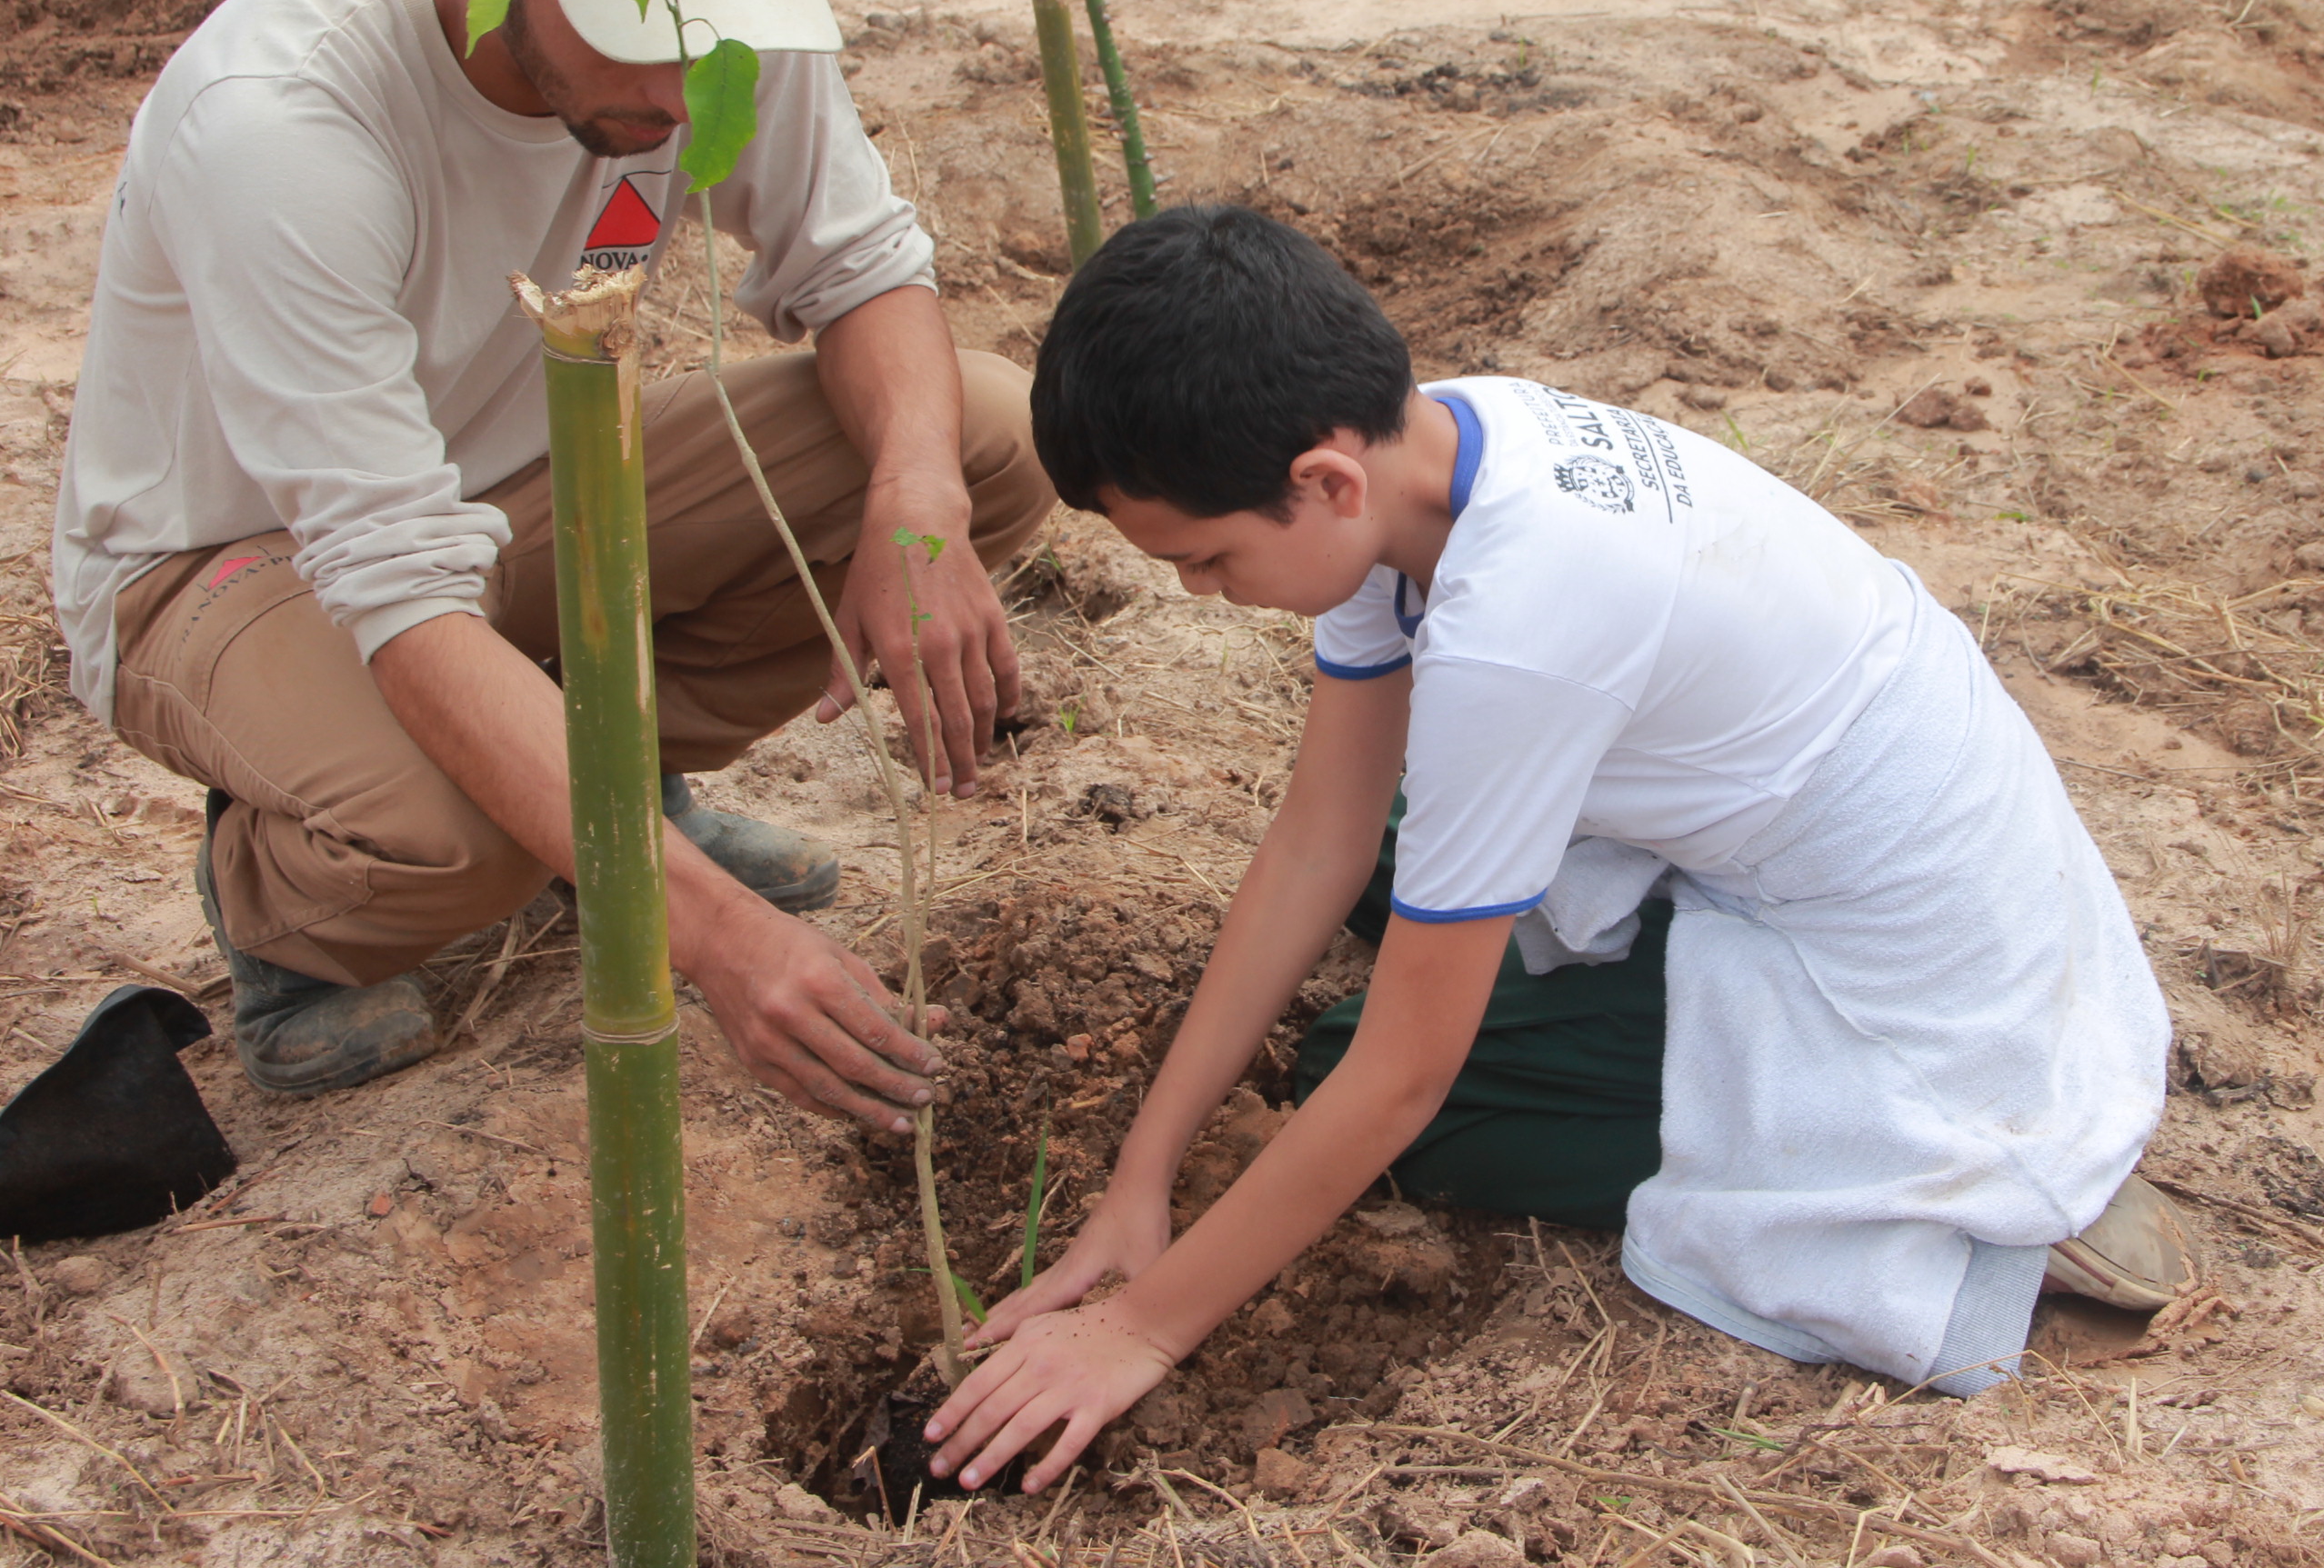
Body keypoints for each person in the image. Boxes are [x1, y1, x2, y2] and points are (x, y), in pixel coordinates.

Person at [924, 205, 2181, 1493]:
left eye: (1207, 559)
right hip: (1846, 826)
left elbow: (1403, 1079)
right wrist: (1146, 1173)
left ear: (1322, 483)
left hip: (1919, 973)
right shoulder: (1427, 444)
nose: (1201, 592)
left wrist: (1138, 1330)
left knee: (1374, 1080)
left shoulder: (1521, 621)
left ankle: (1961, 1188)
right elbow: (1323, 837)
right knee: (1399, 858)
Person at [50, 0, 1051, 1128]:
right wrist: (703, 935)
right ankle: (283, 898)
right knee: (458, 845)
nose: (685, 76)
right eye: (635, 19)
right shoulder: (283, 120)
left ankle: (610, 790)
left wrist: (916, 501)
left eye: (713, 20)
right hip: (234, 562)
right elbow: (390, 578)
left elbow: (863, 269)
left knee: (975, 432)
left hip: (519, 508)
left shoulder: (711, 34)